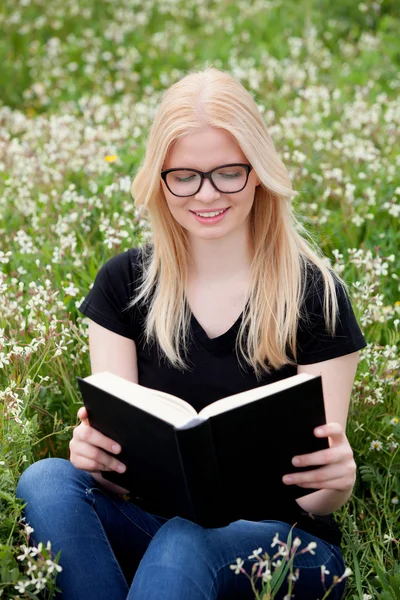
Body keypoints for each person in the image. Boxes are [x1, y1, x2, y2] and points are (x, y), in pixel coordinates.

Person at [16, 66, 367, 600]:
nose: (207, 193)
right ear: (160, 179)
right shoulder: (122, 285)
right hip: (155, 529)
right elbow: (119, 477)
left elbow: (315, 496)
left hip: (286, 548)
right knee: (47, 480)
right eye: (184, 175)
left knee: (187, 540)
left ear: (259, 173)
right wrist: (96, 458)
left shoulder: (315, 295)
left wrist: (337, 484)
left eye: (228, 172)